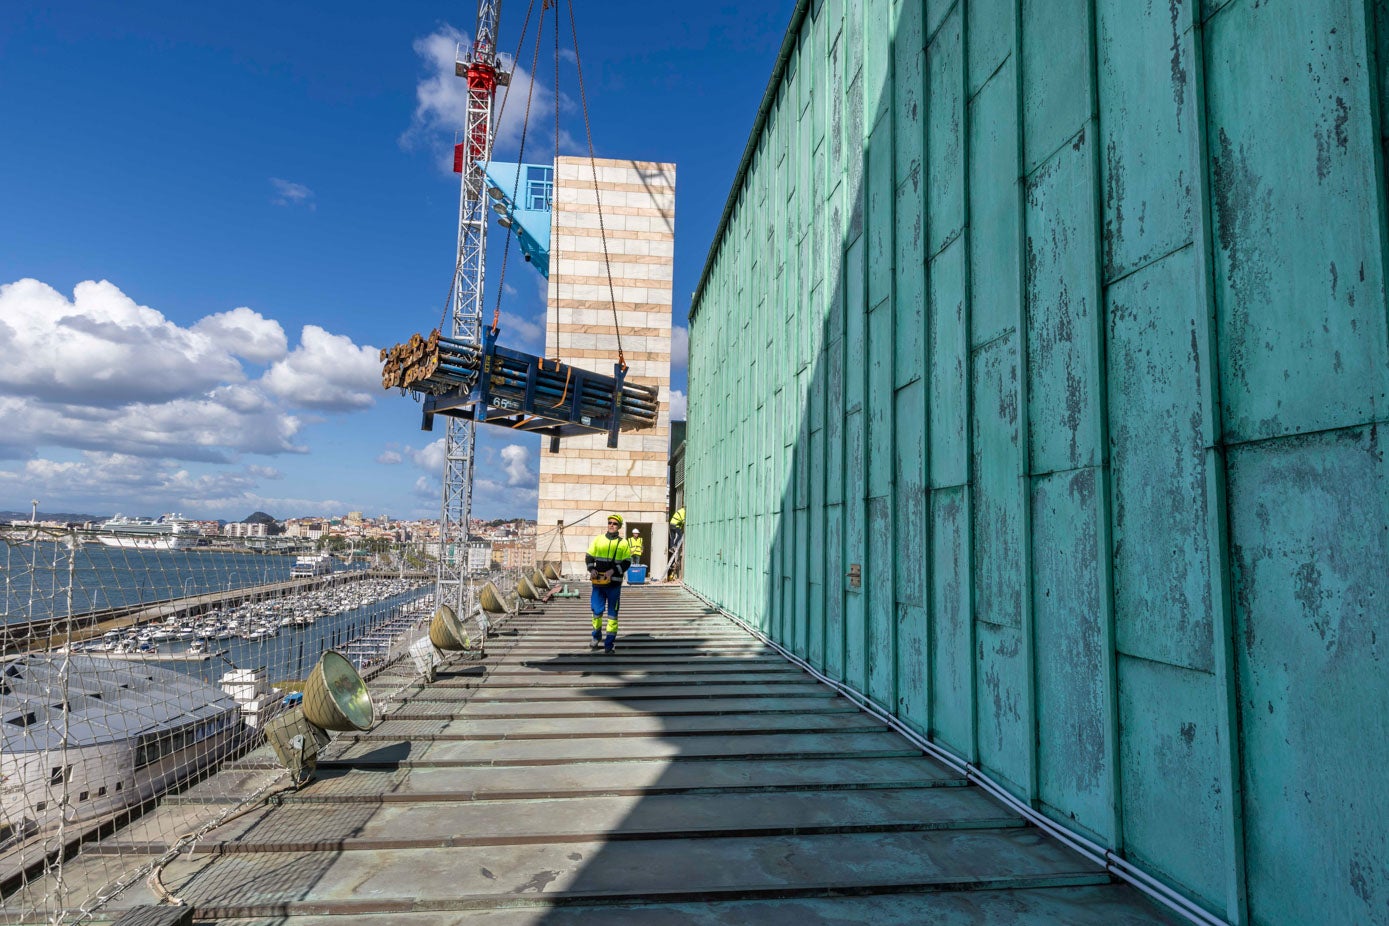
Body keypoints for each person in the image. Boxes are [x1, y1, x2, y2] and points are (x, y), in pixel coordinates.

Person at [585, 513, 632, 653]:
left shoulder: (623, 543)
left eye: (615, 523)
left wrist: (613, 571)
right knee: (597, 611)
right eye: (610, 523)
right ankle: (596, 637)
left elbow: (627, 562)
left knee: (612, 615)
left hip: (614, 585)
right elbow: (589, 557)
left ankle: (609, 645)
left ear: (619, 527)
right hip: (598, 584)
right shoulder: (598, 540)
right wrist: (591, 569)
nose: (611, 525)